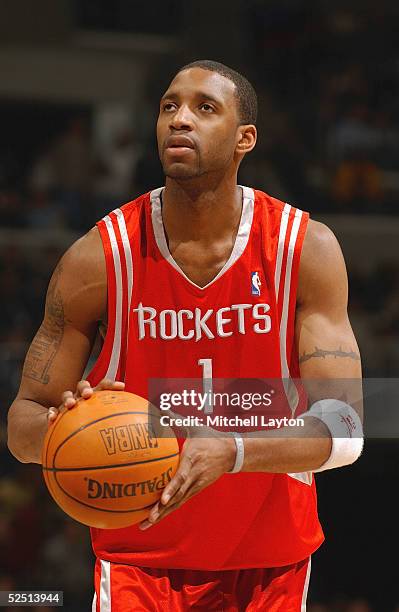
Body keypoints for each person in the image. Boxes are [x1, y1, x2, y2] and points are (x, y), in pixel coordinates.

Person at [7, 60, 363, 611]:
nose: (179, 120)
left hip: (270, 559)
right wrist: (64, 426)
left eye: (204, 108)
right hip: (138, 563)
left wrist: (234, 450)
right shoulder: (99, 257)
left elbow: (346, 427)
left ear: (245, 139)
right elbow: (22, 423)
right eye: (168, 106)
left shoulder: (303, 247)